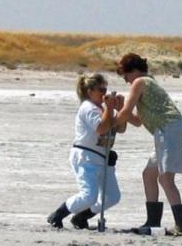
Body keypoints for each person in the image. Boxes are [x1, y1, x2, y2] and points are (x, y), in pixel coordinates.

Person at [113, 52, 182, 236]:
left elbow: (125, 114)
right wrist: (120, 110)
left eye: (125, 76)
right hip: (166, 132)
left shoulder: (140, 82)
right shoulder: (148, 83)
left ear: (133, 71)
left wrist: (109, 121)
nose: (126, 81)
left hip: (169, 130)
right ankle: (153, 220)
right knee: (149, 174)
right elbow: (137, 120)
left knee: (165, 178)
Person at [47, 73, 125, 230]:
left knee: (112, 197)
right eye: (101, 89)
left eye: (106, 89)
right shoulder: (87, 108)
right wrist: (109, 109)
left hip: (103, 157)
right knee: (88, 196)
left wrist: (120, 109)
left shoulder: (103, 109)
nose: (105, 93)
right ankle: (58, 214)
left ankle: (81, 217)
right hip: (86, 157)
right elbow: (101, 128)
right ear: (90, 91)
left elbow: (120, 127)